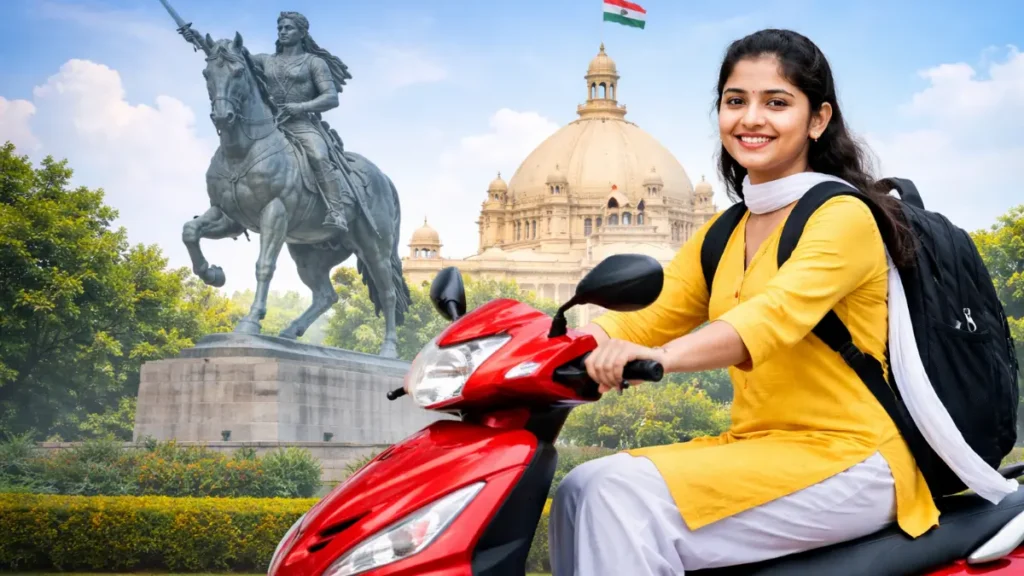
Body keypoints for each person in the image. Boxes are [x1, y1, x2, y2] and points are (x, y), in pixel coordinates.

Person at [548, 28, 940, 575]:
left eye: (776, 103)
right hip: (762, 448)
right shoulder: (725, 232)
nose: (751, 118)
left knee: (617, 497)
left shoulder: (843, 216)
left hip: (853, 456)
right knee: (579, 489)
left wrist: (663, 357)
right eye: (736, 101)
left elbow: (769, 317)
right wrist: (552, 349)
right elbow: (650, 314)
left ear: (818, 119)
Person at [182, 11, 356, 233]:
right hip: (270, 124)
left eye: (288, 28)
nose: (283, 32)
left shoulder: (314, 62)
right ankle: (229, 207)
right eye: (280, 28)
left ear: (302, 33)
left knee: (318, 155)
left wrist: (301, 107)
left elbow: (331, 98)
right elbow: (231, 59)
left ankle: (336, 210)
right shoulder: (266, 60)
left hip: (301, 124)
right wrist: (198, 40)